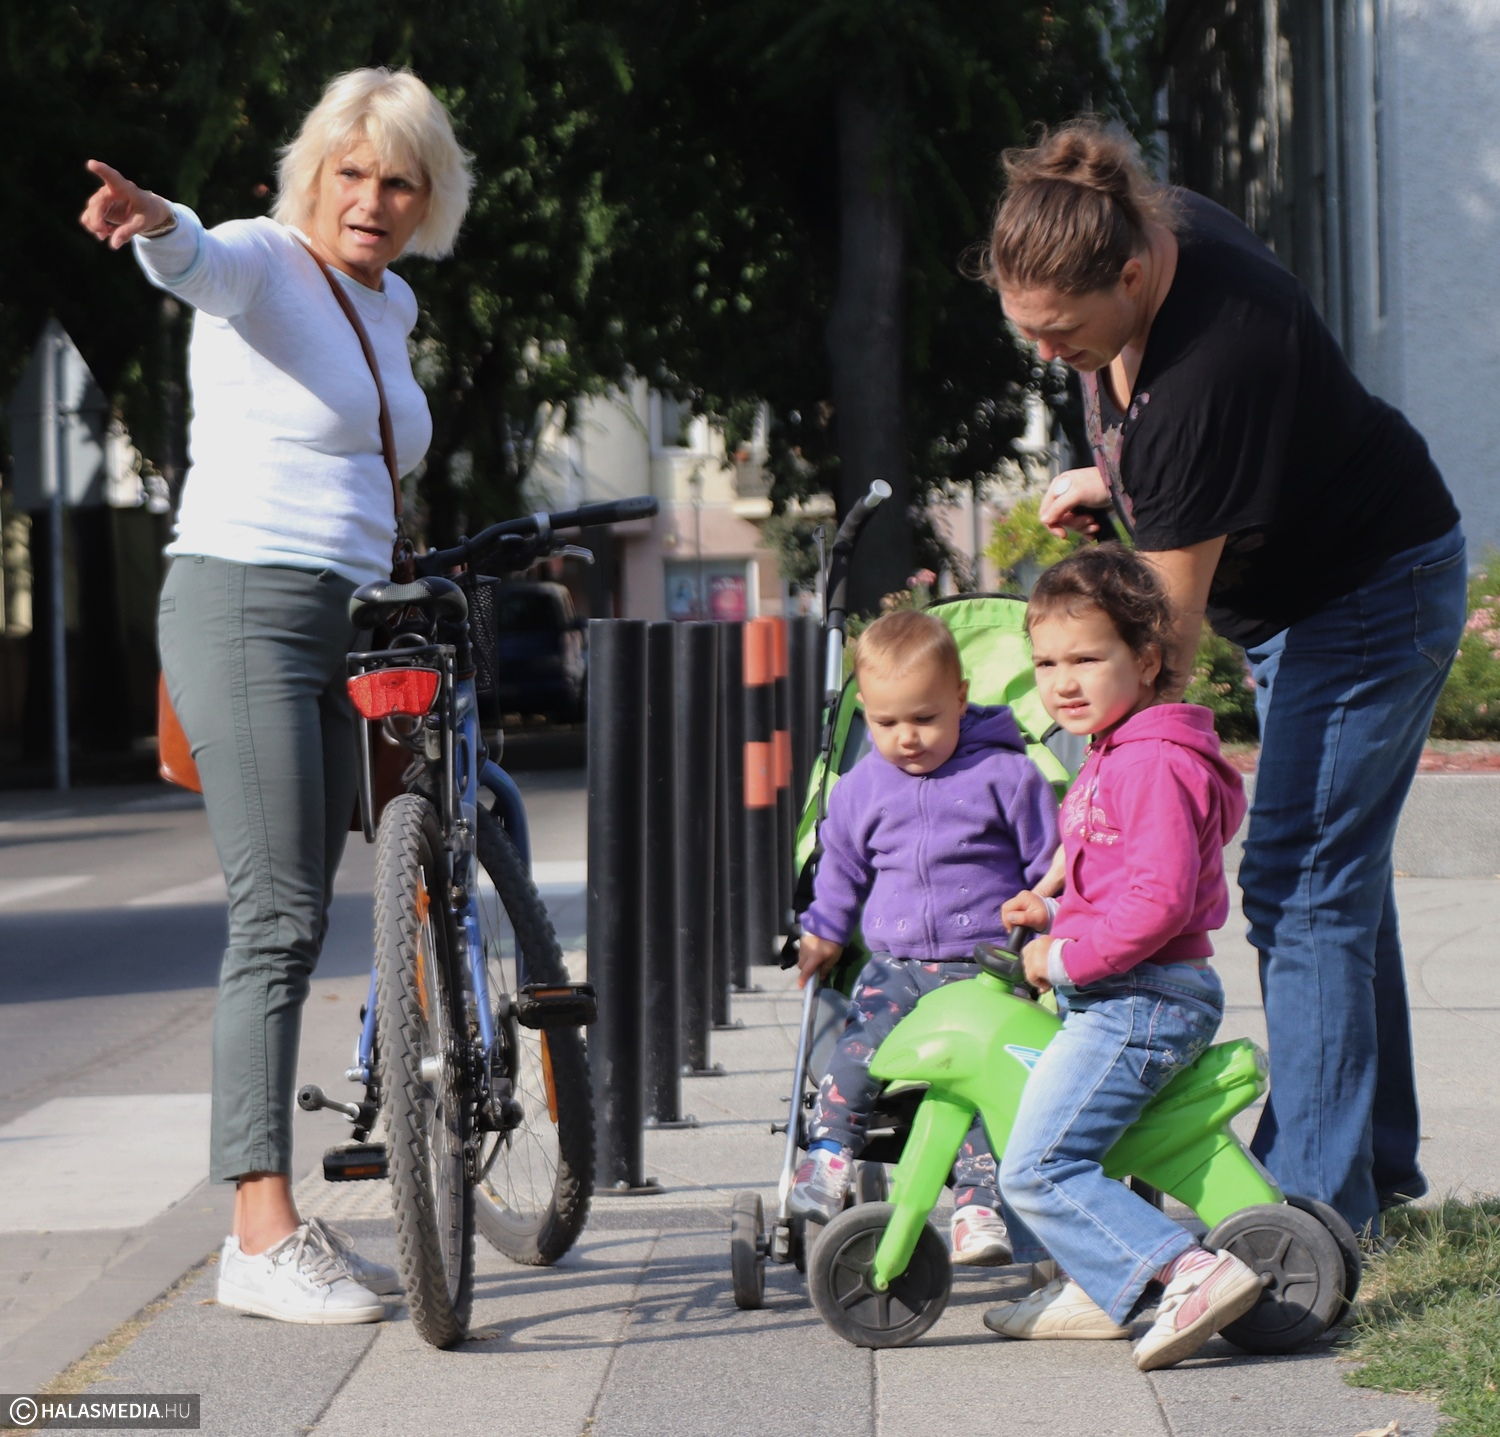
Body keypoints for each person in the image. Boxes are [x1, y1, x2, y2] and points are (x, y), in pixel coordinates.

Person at [980, 119, 1466, 1238]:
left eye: (1061, 332)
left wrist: (1102, 819)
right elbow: (1188, 456)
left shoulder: (1210, 366)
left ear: (1131, 275)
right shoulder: (1152, 224)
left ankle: (1312, 1213)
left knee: (1300, 884)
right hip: (1305, 592)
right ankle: (1374, 1166)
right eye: (1026, 331)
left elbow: (1157, 654)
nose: (1046, 354)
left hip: (1367, 594)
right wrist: (1111, 481)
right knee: (1335, 880)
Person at [78, 68, 472, 1323]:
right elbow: (195, 259)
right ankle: (257, 1234)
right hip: (243, 604)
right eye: (352, 173)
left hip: (353, 618)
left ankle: (287, 1221)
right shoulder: (259, 257)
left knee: (336, 897)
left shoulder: (391, 302)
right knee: (277, 914)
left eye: (399, 181)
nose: (372, 200)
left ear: (427, 198)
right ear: (314, 173)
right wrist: (155, 221)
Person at [987, 545, 1260, 1369]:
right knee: (1066, 1139)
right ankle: (1105, 1283)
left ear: (1144, 660)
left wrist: (1064, 958)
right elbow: (1124, 883)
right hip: (1129, 987)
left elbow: (1160, 901)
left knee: (1037, 1166)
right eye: (1046, 662)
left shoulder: (1150, 763)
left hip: (1139, 998)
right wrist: (1055, 911)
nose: (1062, 682)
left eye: (1086, 658)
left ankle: (1189, 1270)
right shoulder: (1117, 748)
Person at [788, 610, 1057, 1263]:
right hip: (896, 967)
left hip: (986, 973)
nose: (906, 737)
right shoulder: (861, 788)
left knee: (976, 1086)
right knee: (855, 1054)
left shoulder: (1007, 776)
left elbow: (1049, 866)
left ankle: (978, 1205)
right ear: (866, 713)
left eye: (925, 718)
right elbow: (841, 869)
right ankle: (829, 1155)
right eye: (885, 723)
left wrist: (1049, 933)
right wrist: (824, 931)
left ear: (961, 698)